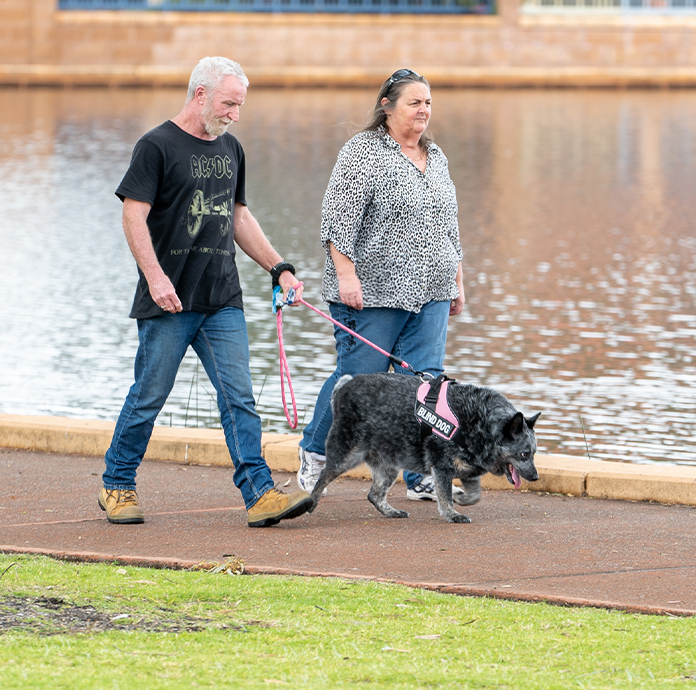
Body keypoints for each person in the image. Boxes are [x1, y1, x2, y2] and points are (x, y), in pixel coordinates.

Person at [99, 56, 313, 528]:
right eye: (229, 103)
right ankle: (117, 483)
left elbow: (238, 216)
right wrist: (155, 278)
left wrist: (279, 268)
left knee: (239, 398)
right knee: (149, 395)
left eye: (240, 105)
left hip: (222, 299)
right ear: (200, 94)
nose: (235, 113)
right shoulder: (155, 146)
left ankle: (259, 494)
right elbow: (133, 215)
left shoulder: (231, 148)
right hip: (169, 300)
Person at [297, 69, 465, 501]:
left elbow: (449, 224)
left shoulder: (437, 155)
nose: (424, 109)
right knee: (357, 379)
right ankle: (315, 454)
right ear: (387, 106)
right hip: (372, 293)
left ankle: (419, 474)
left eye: (428, 102)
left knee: (425, 385)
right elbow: (338, 220)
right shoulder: (363, 152)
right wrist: (347, 275)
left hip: (432, 291)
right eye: (414, 102)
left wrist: (457, 280)